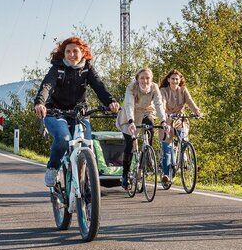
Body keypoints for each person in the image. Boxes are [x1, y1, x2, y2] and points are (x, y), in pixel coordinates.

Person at [34, 36, 120, 187]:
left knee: (87, 145)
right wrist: (40, 103)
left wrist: (111, 102)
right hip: (55, 112)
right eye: (68, 51)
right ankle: (52, 168)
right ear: (63, 53)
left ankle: (83, 180)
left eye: (75, 51)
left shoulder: (87, 68)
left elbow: (99, 87)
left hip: (79, 114)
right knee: (64, 138)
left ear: (83, 52)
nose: (71, 54)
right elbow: (47, 86)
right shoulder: (57, 68)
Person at [116, 67, 170, 189]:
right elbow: (129, 104)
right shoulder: (131, 87)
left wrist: (163, 121)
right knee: (129, 144)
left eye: (147, 78)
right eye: (142, 78)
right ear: (137, 78)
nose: (145, 81)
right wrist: (131, 122)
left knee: (150, 125)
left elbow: (158, 104)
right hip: (131, 114)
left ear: (151, 79)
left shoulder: (154, 87)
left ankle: (144, 163)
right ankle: (125, 174)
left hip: (147, 112)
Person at [159, 69, 203, 187]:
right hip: (167, 120)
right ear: (168, 80)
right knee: (167, 150)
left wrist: (197, 112)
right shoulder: (163, 91)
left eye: (177, 79)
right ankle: (166, 175)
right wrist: (164, 114)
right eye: (172, 78)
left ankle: (184, 154)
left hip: (180, 119)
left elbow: (190, 102)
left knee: (183, 138)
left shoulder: (183, 90)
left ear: (180, 80)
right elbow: (162, 103)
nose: (174, 81)